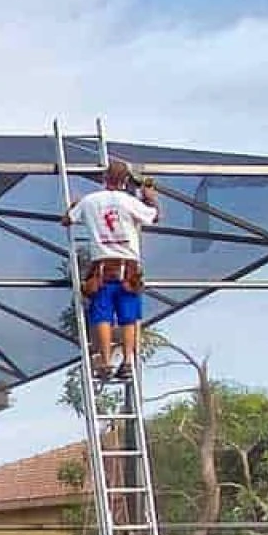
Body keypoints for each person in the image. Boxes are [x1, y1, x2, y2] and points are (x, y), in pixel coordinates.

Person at [64, 159, 160, 380]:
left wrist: (74, 205)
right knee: (128, 318)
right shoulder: (129, 202)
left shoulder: (90, 201)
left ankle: (105, 361)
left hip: (102, 270)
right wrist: (151, 199)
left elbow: (66, 220)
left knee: (103, 317)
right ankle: (127, 361)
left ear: (104, 178)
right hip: (128, 270)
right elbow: (154, 217)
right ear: (125, 180)